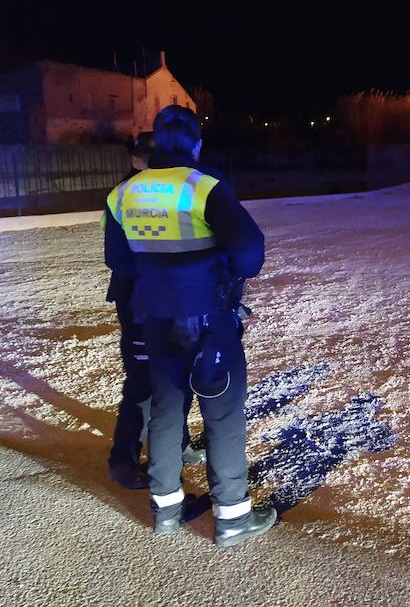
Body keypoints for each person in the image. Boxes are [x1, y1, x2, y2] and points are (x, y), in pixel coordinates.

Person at [105, 106, 275, 547]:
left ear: (155, 142)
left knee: (165, 410)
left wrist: (161, 271)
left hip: (153, 319)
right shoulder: (205, 187)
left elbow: (119, 261)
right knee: (222, 415)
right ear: (196, 144)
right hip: (208, 319)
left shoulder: (123, 193)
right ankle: (233, 518)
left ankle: (165, 510)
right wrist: (210, 269)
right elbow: (250, 254)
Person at [106, 132, 206, 489]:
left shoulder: (174, 188)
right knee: (143, 382)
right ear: (139, 159)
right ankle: (124, 461)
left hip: (170, 299)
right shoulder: (125, 193)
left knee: (176, 377)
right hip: (138, 298)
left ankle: (175, 443)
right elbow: (117, 256)